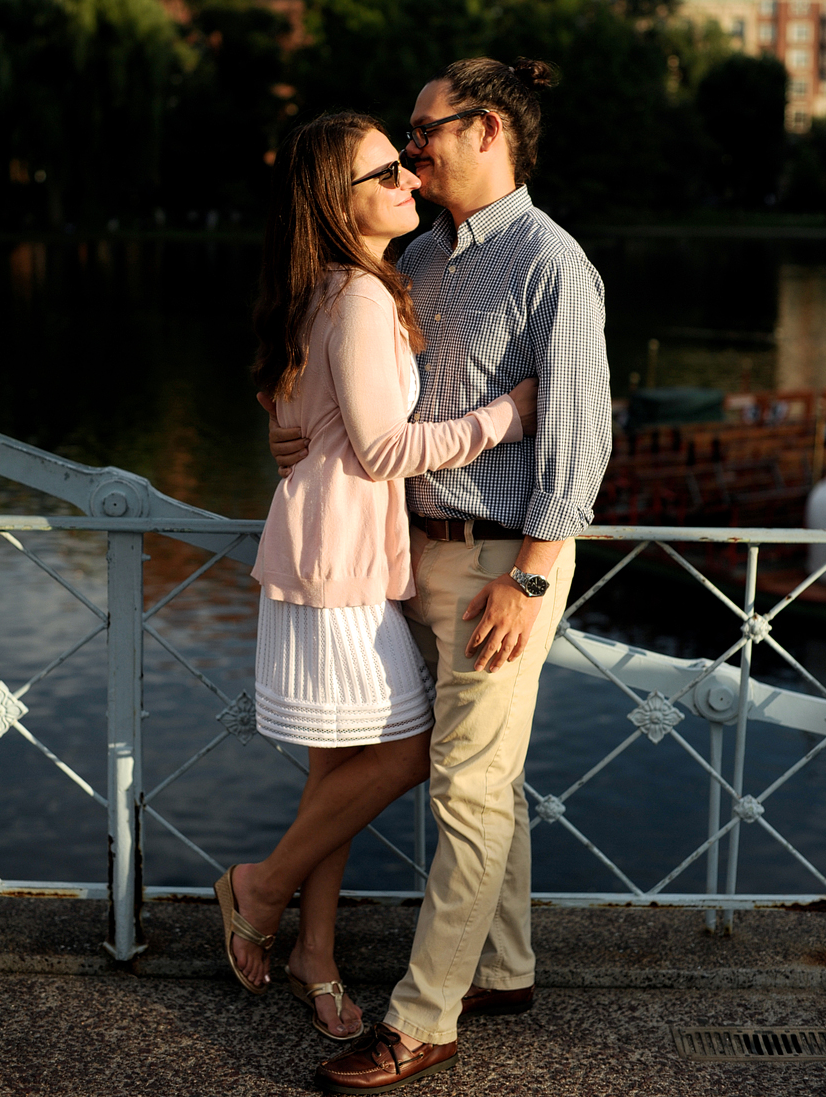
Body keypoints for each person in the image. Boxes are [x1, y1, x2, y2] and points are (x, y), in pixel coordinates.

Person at [269, 59, 611, 1092]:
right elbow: (341, 389)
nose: (412, 153)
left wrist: (536, 577)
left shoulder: (552, 260)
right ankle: (502, 969)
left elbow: (583, 436)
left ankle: (422, 1020)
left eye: (424, 133)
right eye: (405, 143)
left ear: (490, 131)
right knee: (478, 783)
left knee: (463, 788)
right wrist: (296, 435)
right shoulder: (414, 258)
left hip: (505, 559)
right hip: (411, 555)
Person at [216, 111, 537, 1044]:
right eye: (384, 171)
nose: (407, 177)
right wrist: (506, 416)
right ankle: (261, 886)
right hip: (341, 565)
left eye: (404, 163)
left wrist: (292, 434)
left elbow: (303, 412)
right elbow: (387, 443)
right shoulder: (356, 295)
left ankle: (316, 952)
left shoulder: (331, 286)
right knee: (403, 750)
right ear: (336, 200)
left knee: (338, 770)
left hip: (329, 551)